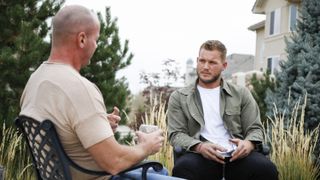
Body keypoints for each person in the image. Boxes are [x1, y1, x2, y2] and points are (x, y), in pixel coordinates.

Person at [20, 5, 182, 180]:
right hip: (99, 177)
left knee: (160, 172)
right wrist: (146, 146)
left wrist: (96, 123)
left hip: (61, 175)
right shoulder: (79, 87)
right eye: (96, 40)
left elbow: (62, 126)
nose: (96, 46)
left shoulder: (36, 79)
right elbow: (115, 162)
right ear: (82, 39)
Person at [167, 40, 278, 180]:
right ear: (197, 61)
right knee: (183, 168)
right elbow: (175, 134)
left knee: (266, 169)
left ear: (224, 65)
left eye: (212, 63)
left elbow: (255, 128)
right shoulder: (179, 97)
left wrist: (248, 144)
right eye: (202, 61)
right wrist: (199, 147)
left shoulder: (241, 94)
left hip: (237, 156)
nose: (205, 67)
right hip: (200, 156)